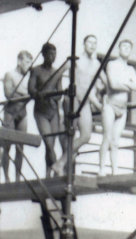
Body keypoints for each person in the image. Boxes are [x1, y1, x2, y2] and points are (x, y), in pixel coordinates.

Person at [53, 35, 106, 175]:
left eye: (95, 43)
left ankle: (60, 163)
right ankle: (63, 168)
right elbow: (57, 75)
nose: (92, 45)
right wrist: (59, 93)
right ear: (84, 44)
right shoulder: (75, 60)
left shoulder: (96, 64)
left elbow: (107, 83)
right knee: (69, 133)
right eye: (90, 42)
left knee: (86, 136)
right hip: (73, 98)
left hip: (85, 101)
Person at [98, 39, 136, 176]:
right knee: (107, 137)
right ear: (119, 48)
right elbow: (112, 84)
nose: (126, 49)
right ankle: (101, 169)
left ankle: (115, 170)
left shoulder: (130, 69)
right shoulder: (112, 64)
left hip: (122, 109)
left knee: (116, 141)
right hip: (110, 105)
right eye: (124, 46)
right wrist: (128, 83)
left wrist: (122, 82)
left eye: (129, 47)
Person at [28, 43, 68, 177]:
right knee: (49, 143)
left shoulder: (57, 72)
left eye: (54, 55)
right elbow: (31, 89)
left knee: (50, 144)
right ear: (43, 55)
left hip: (53, 112)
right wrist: (40, 94)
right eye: (50, 54)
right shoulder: (36, 70)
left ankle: (47, 174)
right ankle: (57, 168)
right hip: (41, 112)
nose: (52, 57)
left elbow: (60, 92)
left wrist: (54, 96)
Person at [0, 50, 33, 183]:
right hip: (10, 113)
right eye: (26, 62)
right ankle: (7, 177)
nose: (28, 65)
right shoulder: (10, 74)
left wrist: (19, 93)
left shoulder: (28, 77)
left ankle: (18, 177)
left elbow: (32, 94)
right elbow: (8, 94)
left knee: (20, 147)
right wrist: (24, 94)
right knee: (7, 145)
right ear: (19, 61)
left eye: (30, 63)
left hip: (22, 113)